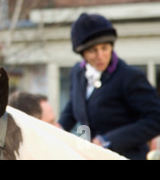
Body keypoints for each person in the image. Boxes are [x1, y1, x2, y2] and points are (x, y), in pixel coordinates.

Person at [58, 13, 160, 160]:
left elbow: (156, 119)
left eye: (105, 48)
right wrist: (58, 127)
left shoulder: (129, 77)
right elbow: (73, 109)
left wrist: (108, 140)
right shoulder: (77, 73)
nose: (101, 56)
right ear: (83, 53)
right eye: (93, 50)